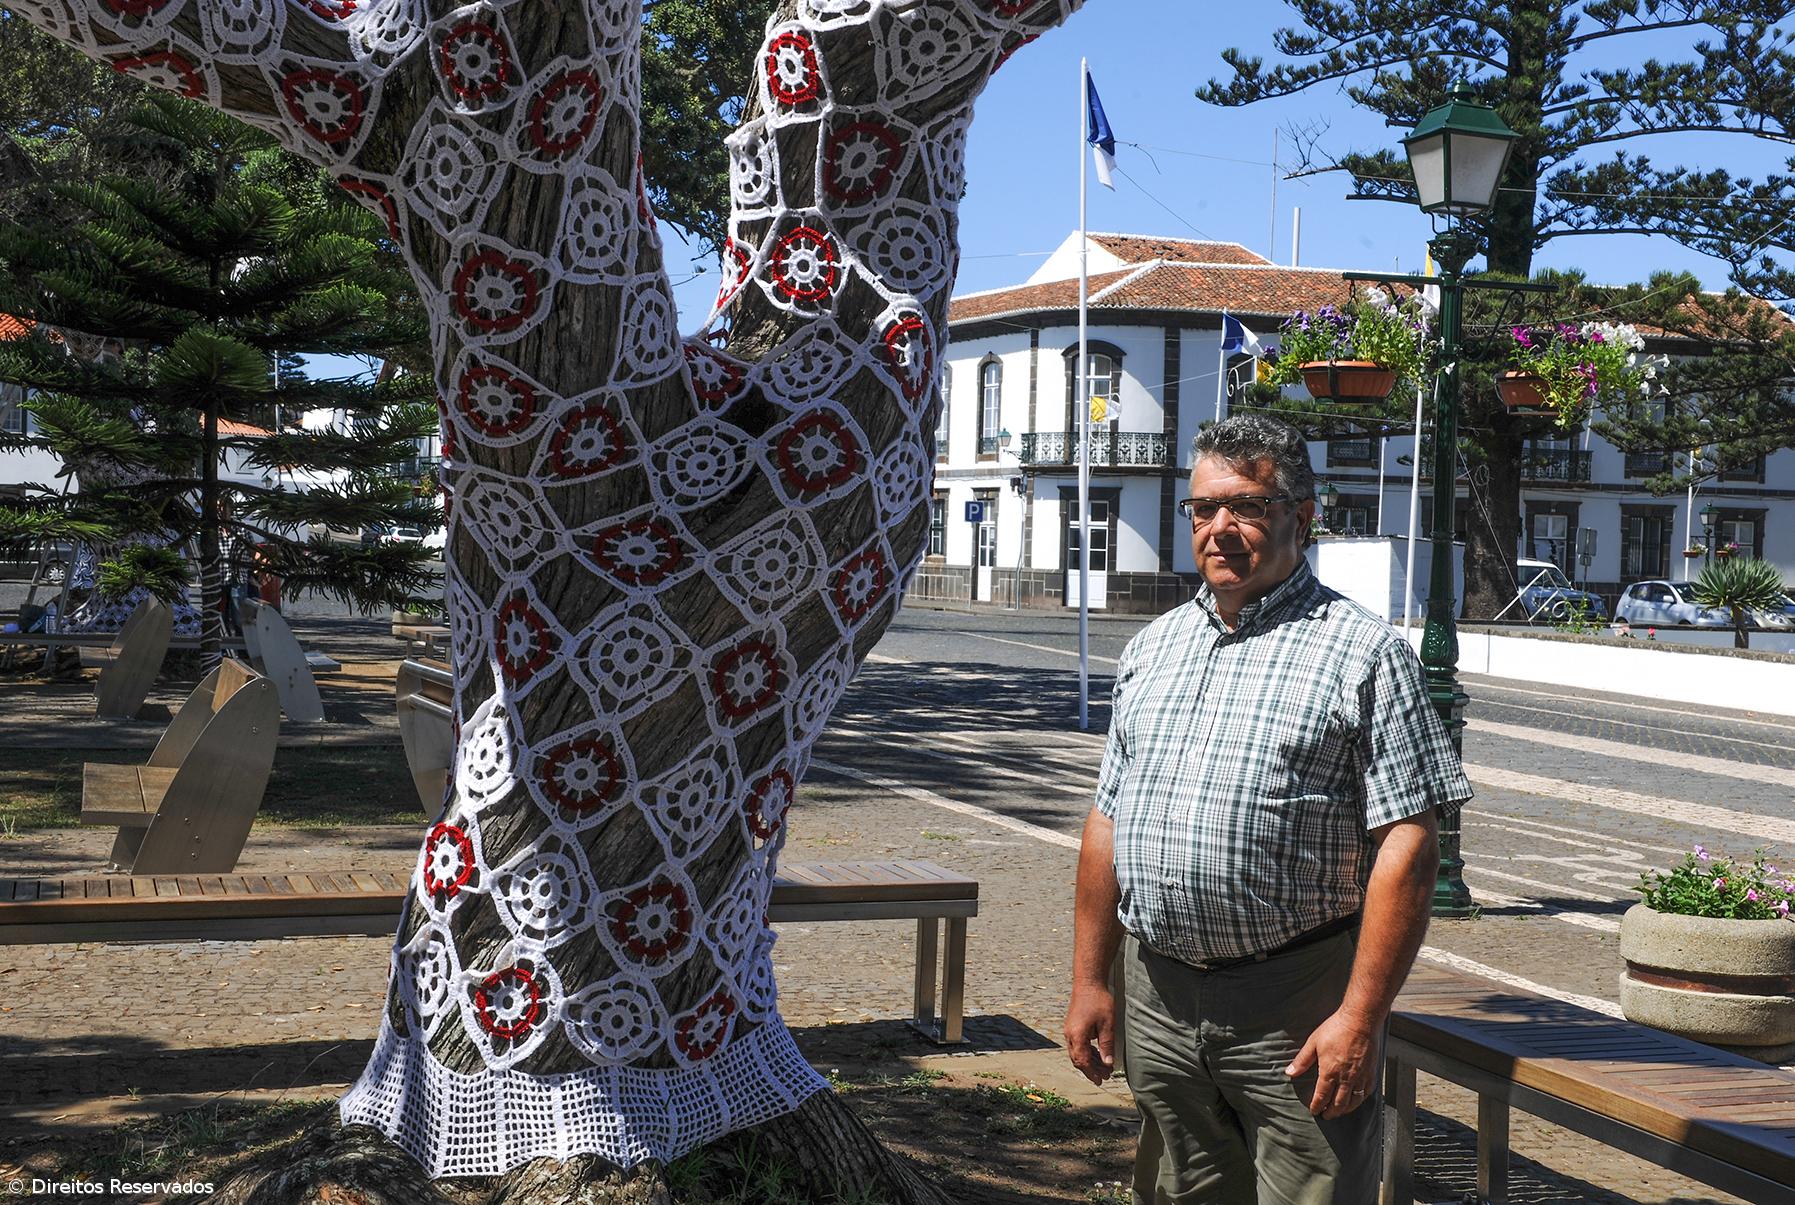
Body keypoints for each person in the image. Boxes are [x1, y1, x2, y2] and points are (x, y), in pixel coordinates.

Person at [1065, 414, 1473, 1204]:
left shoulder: (1362, 652)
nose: (1219, 527)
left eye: (1247, 506)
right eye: (1202, 507)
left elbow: (1409, 844)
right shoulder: (1151, 648)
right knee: (1181, 1189)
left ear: (1300, 517)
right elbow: (1107, 820)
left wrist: (1360, 1015)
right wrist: (1090, 980)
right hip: (1157, 994)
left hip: (1295, 1000)